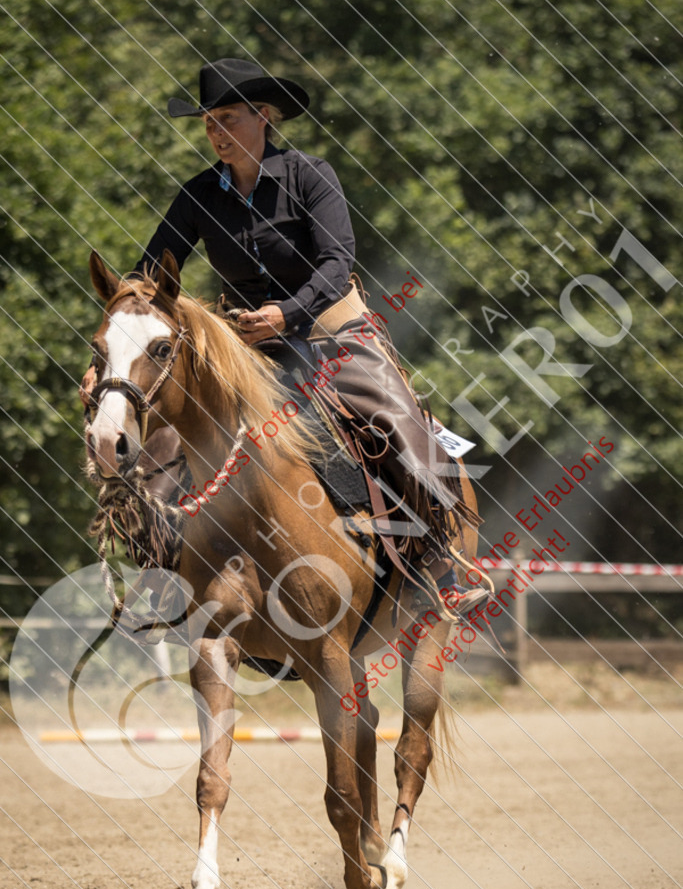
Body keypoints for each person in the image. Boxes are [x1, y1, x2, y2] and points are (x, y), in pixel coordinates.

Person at [85, 57, 487, 618]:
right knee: (167, 438)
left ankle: (440, 562)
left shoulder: (310, 175)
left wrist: (286, 312)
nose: (216, 132)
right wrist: (118, 351)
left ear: (263, 116)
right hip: (245, 345)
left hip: (330, 331)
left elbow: (336, 259)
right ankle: (163, 574)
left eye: (227, 118)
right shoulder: (199, 193)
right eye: (208, 122)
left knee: (397, 419)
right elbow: (147, 277)